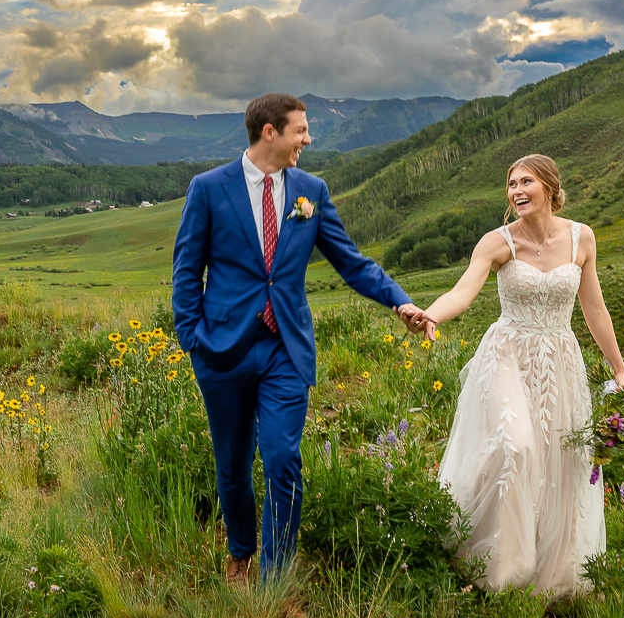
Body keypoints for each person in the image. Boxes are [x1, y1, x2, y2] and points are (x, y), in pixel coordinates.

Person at [172, 93, 431, 585]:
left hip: (285, 349)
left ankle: (275, 573)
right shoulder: (208, 189)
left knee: (282, 456)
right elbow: (187, 271)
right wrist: (193, 340)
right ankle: (241, 551)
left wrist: (400, 301)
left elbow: (351, 262)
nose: (308, 139)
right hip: (222, 351)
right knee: (232, 464)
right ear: (269, 132)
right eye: (301, 130)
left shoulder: (311, 190)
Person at [420, 154, 624, 599]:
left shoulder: (582, 238)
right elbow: (464, 289)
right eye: (511, 184)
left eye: (525, 182)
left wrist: (618, 367)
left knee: (559, 466)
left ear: (550, 187)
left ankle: (547, 579)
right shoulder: (497, 242)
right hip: (506, 354)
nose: (516, 191)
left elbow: (594, 308)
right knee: (516, 445)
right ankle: (500, 569)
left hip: (560, 361)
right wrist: (430, 315)